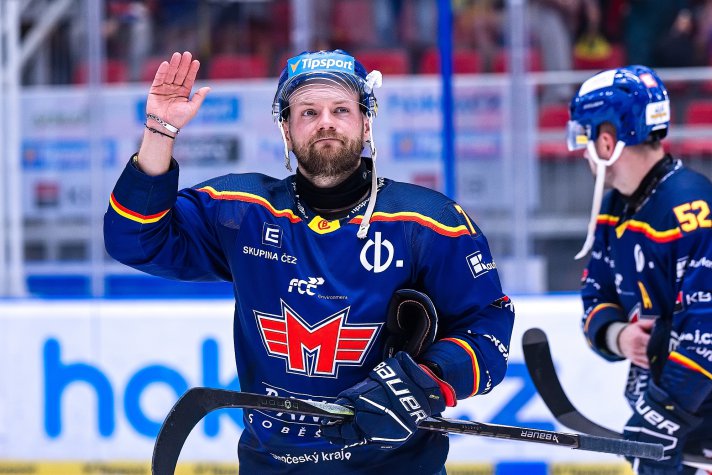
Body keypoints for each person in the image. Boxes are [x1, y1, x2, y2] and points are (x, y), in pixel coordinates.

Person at [103, 49, 515, 474]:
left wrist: (425, 380)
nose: (326, 122)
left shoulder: (428, 222)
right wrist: (160, 131)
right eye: (308, 112)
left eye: (341, 109)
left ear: (366, 121)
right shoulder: (243, 212)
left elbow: (487, 329)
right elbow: (133, 240)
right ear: (286, 128)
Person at [568, 65, 712, 474]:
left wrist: (661, 416)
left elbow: (707, 330)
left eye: (586, 137)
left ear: (607, 139)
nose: (584, 151)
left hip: (691, 417)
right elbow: (595, 294)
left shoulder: (693, 210)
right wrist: (620, 336)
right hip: (670, 413)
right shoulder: (613, 208)